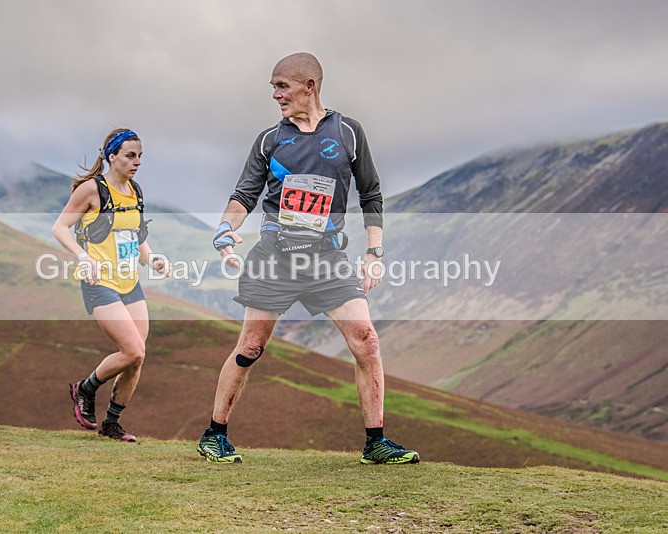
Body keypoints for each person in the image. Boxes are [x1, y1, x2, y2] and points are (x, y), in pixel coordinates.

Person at [196, 53, 419, 464]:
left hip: (328, 258)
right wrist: (225, 229)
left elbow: (370, 194)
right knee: (251, 346)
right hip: (275, 258)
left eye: (282, 86)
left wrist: (374, 253)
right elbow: (244, 193)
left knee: (366, 342)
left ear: (309, 86)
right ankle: (215, 434)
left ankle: (376, 442)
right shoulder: (269, 140)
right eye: (273, 88)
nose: (276, 95)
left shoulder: (349, 132)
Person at [52, 129, 170, 442]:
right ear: (112, 156)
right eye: (131, 155)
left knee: (138, 356)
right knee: (131, 349)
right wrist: (82, 257)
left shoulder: (136, 192)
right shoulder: (93, 190)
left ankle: (112, 424)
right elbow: (59, 227)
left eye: (141, 155)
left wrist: (153, 260)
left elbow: (136, 238)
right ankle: (84, 389)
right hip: (99, 281)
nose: (137, 162)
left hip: (129, 283)